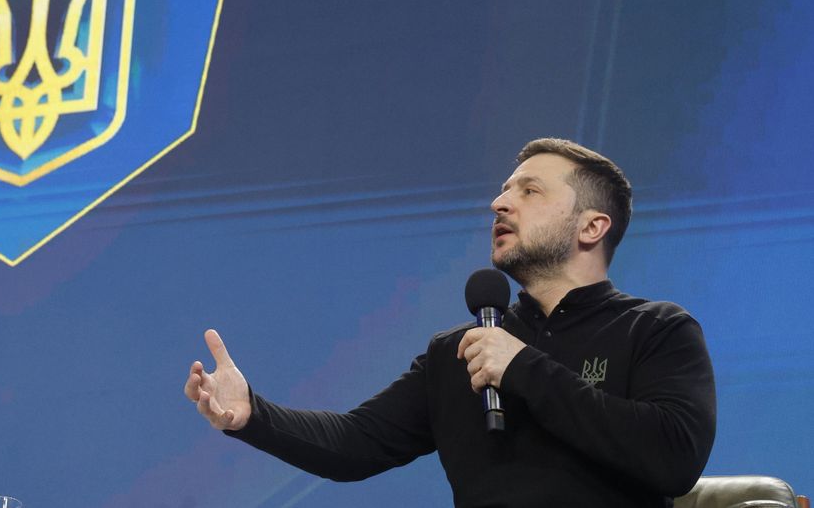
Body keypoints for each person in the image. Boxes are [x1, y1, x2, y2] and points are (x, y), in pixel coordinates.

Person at [183, 138, 716, 508]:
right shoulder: (461, 350)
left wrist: (524, 368)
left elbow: (672, 458)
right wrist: (254, 415)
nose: (499, 203)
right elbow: (356, 442)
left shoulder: (655, 330)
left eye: (529, 191)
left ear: (592, 226)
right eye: (505, 190)